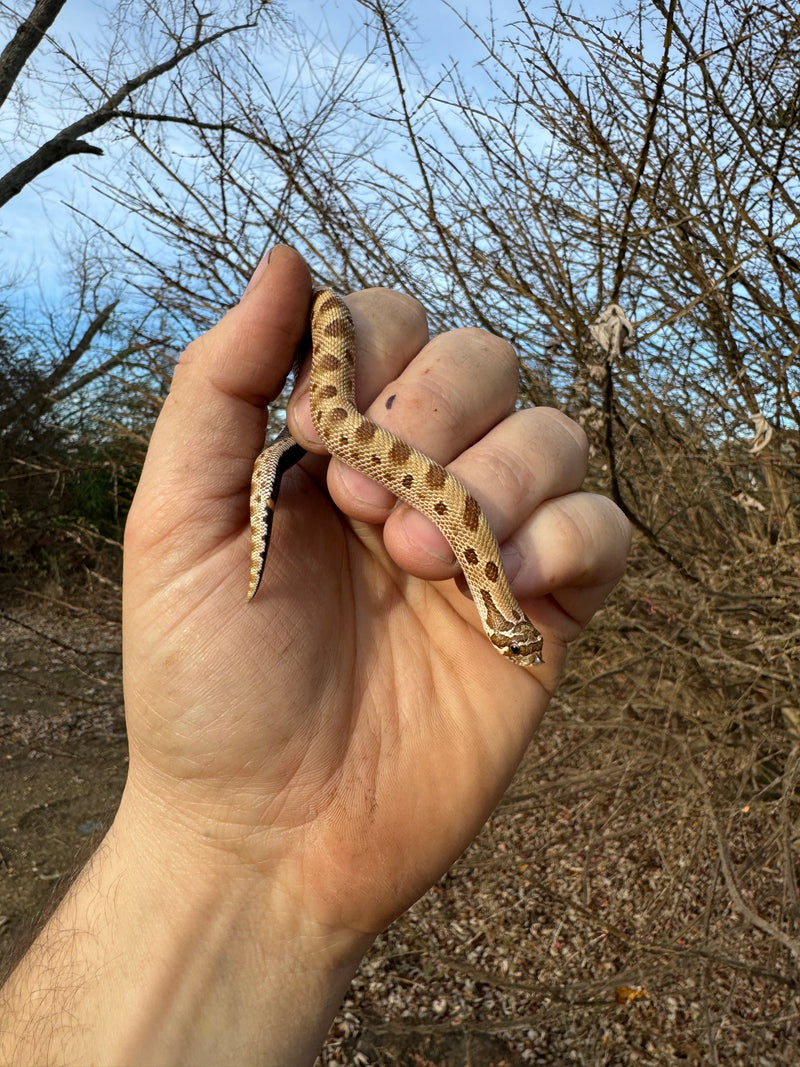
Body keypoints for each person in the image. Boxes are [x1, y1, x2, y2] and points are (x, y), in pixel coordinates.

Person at [0, 246, 630, 1065]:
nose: (511, 642)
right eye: (509, 630)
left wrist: (261, 893)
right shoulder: (472, 583)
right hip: (357, 504)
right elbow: (329, 411)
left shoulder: (495, 604)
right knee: (345, 430)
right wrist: (223, 848)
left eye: (507, 633)